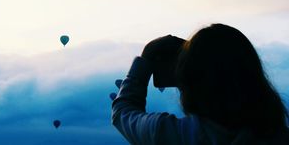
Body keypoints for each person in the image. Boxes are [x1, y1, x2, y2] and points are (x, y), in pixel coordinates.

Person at [112, 23, 289, 144]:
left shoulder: (178, 135)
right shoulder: (278, 137)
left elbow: (123, 114)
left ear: (189, 78)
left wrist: (146, 59)